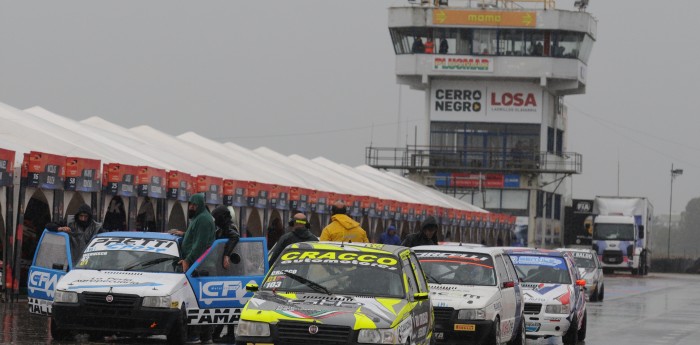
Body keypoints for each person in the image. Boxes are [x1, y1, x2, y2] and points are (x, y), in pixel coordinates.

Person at [170, 193, 215, 344]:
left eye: (194, 205)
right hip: (196, 264)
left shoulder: (203, 219)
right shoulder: (199, 218)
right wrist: (184, 234)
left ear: (200, 205)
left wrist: (188, 260)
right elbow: (196, 236)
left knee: (197, 301)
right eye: (190, 204)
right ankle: (201, 335)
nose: (191, 207)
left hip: (199, 265)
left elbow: (200, 244)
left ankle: (199, 334)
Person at [211, 205, 241, 270]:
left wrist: (226, 255)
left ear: (221, 217)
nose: (215, 221)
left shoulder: (230, 227)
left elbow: (235, 236)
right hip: (222, 264)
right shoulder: (221, 229)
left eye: (216, 218)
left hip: (230, 264)